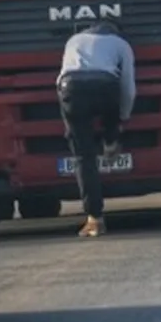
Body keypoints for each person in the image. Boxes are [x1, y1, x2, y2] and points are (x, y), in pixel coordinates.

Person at [56, 18, 136, 238]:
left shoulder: (74, 40)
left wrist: (69, 123)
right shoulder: (121, 44)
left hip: (71, 88)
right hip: (105, 86)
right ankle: (110, 143)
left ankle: (94, 219)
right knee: (111, 107)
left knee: (83, 156)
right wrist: (122, 118)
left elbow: (61, 77)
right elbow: (127, 87)